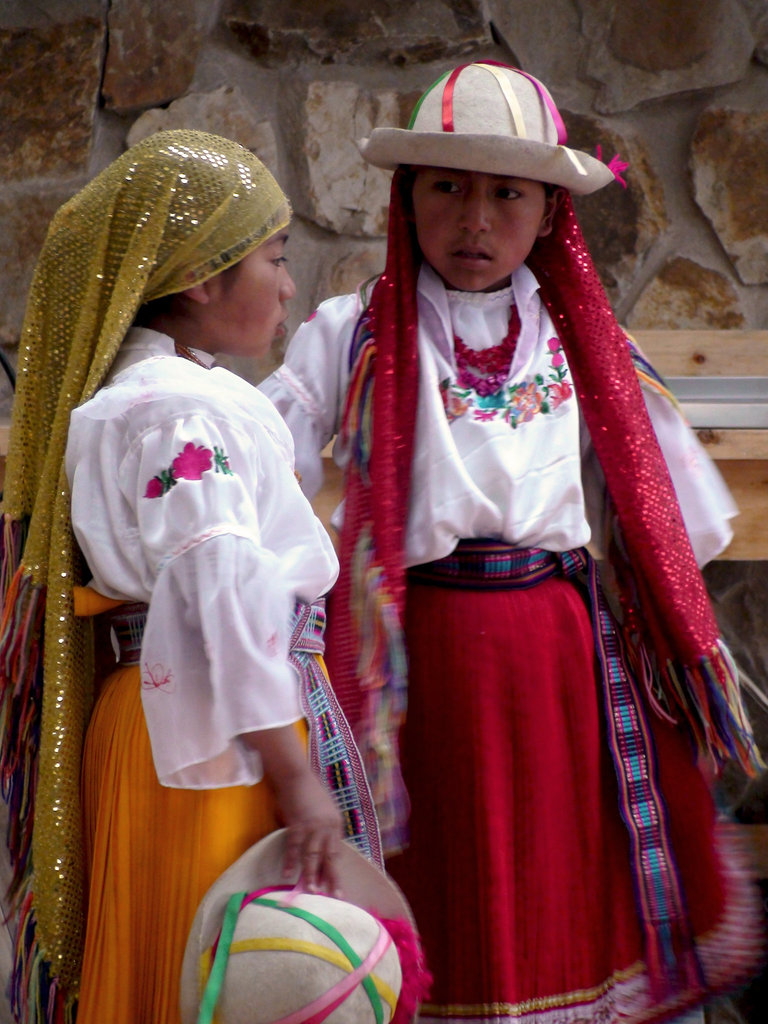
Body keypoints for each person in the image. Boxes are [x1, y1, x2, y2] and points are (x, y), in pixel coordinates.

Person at [260, 63, 766, 1024]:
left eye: (506, 194)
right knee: (448, 871)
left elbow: (672, 506)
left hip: (557, 661)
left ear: (548, 216)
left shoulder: (581, 341)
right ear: (407, 201)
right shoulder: (351, 333)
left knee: (552, 868)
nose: (475, 220)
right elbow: (257, 463)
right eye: (447, 187)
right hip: (418, 665)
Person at [0, 130, 380, 1024]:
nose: (290, 287)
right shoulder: (178, 417)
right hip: (216, 741)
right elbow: (218, 595)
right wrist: (293, 772)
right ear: (204, 277)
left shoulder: (159, 401)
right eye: (276, 260)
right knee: (221, 976)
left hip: (170, 723)